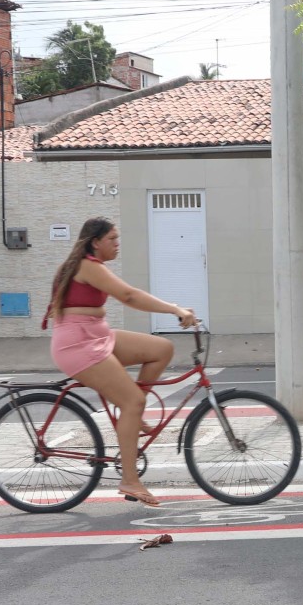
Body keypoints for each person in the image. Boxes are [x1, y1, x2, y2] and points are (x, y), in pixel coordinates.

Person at [44, 217, 197, 507]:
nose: (117, 244)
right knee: (131, 403)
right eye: (112, 239)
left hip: (95, 335)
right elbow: (129, 295)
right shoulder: (88, 266)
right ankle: (130, 479)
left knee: (162, 348)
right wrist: (174, 308)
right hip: (78, 344)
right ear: (95, 242)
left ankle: (132, 416)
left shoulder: (89, 265)